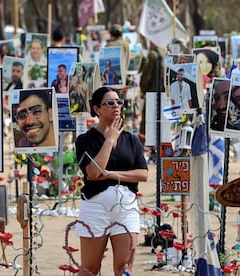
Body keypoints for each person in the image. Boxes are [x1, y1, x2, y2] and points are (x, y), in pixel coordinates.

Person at [75, 86, 148, 275]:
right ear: (97, 109)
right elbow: (93, 172)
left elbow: (143, 174)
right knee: (90, 268)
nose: (116, 106)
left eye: (118, 102)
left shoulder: (131, 140)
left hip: (126, 207)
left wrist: (111, 175)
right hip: (95, 207)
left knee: (124, 268)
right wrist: (109, 140)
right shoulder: (85, 140)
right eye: (110, 102)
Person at [139, 40, 165, 139]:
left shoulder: (152, 55)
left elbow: (147, 76)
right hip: (163, 93)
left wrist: (143, 90)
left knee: (148, 119)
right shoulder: (164, 53)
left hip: (152, 92)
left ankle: (146, 142)